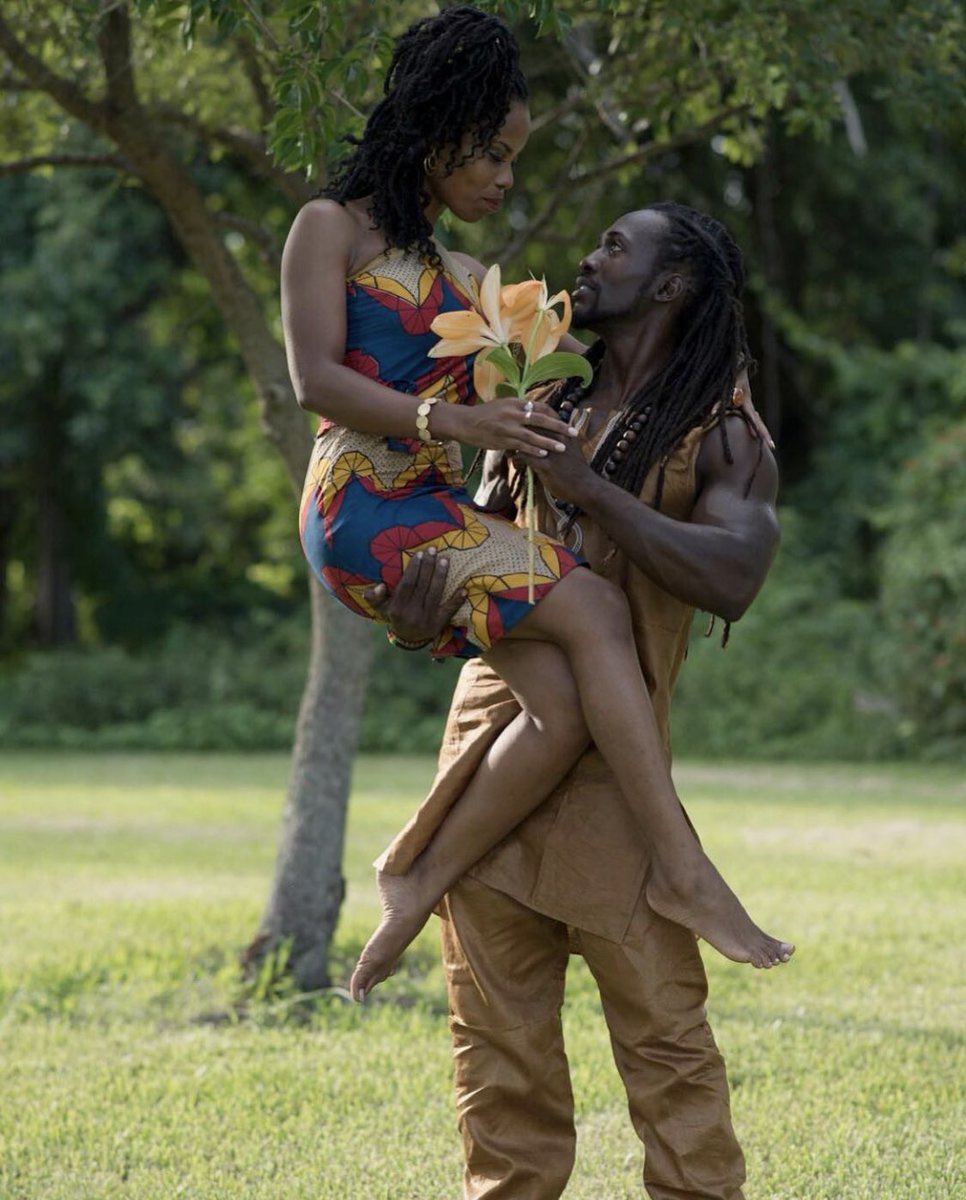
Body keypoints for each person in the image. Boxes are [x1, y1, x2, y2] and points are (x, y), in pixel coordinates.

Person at [281, 5, 792, 1001]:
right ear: (439, 136)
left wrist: (716, 373)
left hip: (436, 516)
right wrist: (456, 421)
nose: (507, 179)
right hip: (361, 505)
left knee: (559, 711)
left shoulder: (474, 282)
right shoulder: (329, 228)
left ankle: (415, 874)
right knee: (594, 609)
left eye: (512, 159)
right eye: (494, 156)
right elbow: (315, 381)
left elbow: (607, 357)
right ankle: (683, 869)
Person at [369, 201, 783, 1200]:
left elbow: (732, 579)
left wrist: (591, 489)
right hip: (489, 760)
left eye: (615, 248)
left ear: (672, 285)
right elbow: (471, 564)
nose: (588, 260)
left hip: (613, 778)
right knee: (496, 1056)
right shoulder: (534, 403)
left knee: (667, 1044)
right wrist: (415, 622)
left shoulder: (723, 433)